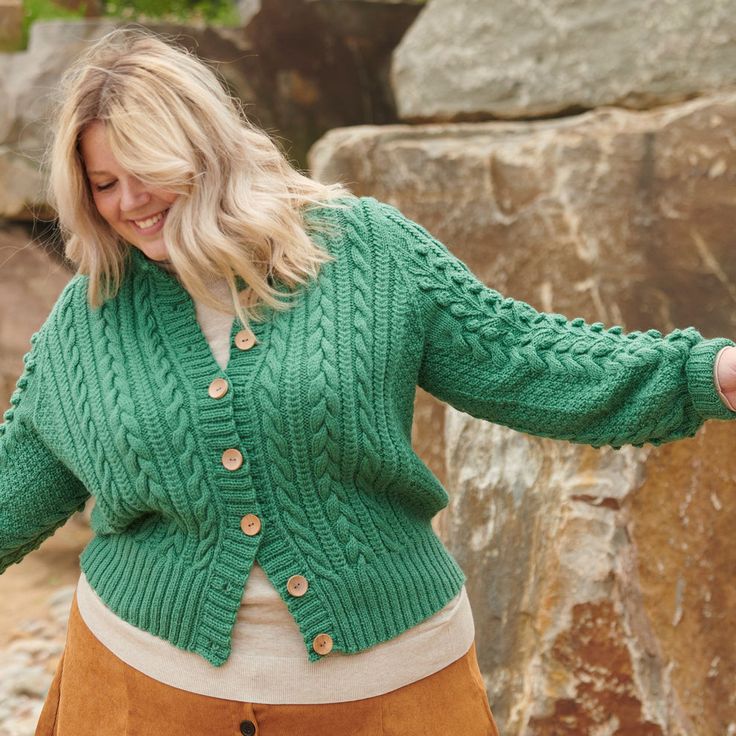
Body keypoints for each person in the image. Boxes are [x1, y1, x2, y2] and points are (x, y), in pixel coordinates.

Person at [0, 26, 734, 736]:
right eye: (103, 184)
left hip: (390, 695)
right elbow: (19, 481)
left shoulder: (365, 251)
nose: (128, 203)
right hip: (139, 693)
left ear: (205, 151)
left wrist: (707, 373)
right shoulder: (89, 316)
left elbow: (523, 357)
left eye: (144, 170)